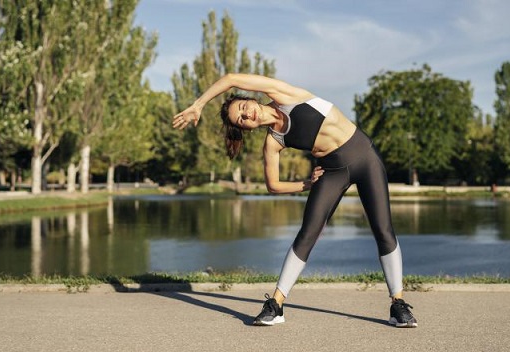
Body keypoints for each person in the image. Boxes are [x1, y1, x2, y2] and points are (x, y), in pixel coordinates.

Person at [172, 73, 417, 328]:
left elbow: (231, 78)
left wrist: (198, 104)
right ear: (245, 128)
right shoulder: (273, 142)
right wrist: (306, 184)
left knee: (383, 229)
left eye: (244, 108)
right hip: (332, 171)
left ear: (251, 99)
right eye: (241, 120)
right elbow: (273, 185)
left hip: (364, 157)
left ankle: (397, 304)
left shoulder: (284, 95)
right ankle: (276, 305)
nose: (247, 116)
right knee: (307, 233)